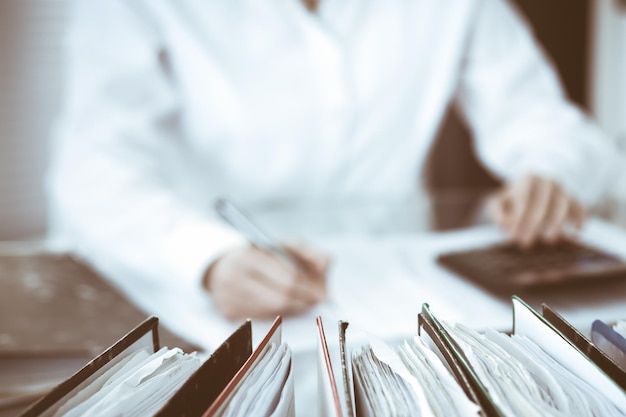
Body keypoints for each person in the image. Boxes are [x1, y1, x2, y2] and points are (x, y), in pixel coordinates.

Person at [48, 0, 619, 321]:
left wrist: (552, 171)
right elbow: (92, 173)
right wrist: (205, 258)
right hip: (190, 290)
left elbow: (547, 122)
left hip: (394, 291)